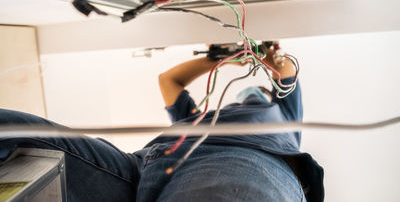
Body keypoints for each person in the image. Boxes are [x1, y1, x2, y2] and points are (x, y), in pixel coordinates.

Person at [0, 46, 324, 202]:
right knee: (15, 131)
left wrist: (273, 60)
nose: (247, 94)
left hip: (242, 161)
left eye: (258, 91)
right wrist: (227, 56)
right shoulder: (199, 119)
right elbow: (169, 81)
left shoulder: (282, 117)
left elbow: (286, 74)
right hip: (142, 166)